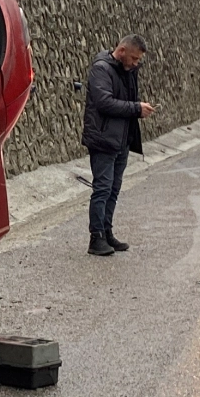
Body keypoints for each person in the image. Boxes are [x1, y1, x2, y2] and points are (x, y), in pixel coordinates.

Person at [82, 35, 155, 257]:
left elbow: (126, 100)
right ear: (121, 50)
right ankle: (96, 239)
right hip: (103, 139)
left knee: (113, 189)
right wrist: (135, 108)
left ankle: (107, 232)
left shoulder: (128, 70)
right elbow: (104, 102)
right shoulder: (101, 69)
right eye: (133, 58)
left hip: (121, 139)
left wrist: (139, 109)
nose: (135, 63)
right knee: (102, 189)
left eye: (138, 60)